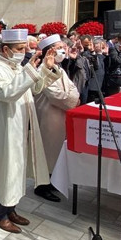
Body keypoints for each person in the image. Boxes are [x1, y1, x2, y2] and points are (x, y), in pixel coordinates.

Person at [0, 29, 61, 233]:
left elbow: (34, 89)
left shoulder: (18, 67)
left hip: (21, 126)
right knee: (5, 171)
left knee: (16, 171)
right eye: (19, 48)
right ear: (6, 49)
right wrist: (30, 71)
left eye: (24, 48)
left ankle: (11, 209)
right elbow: (8, 93)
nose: (23, 52)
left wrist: (45, 69)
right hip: (6, 129)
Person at [33, 36, 80, 195]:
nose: (63, 50)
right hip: (49, 116)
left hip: (62, 115)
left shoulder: (59, 68)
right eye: (59, 47)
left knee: (57, 150)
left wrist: (75, 98)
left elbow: (72, 87)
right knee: (48, 151)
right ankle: (42, 186)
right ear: (50, 51)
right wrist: (74, 101)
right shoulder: (42, 70)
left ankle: (54, 181)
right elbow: (54, 95)